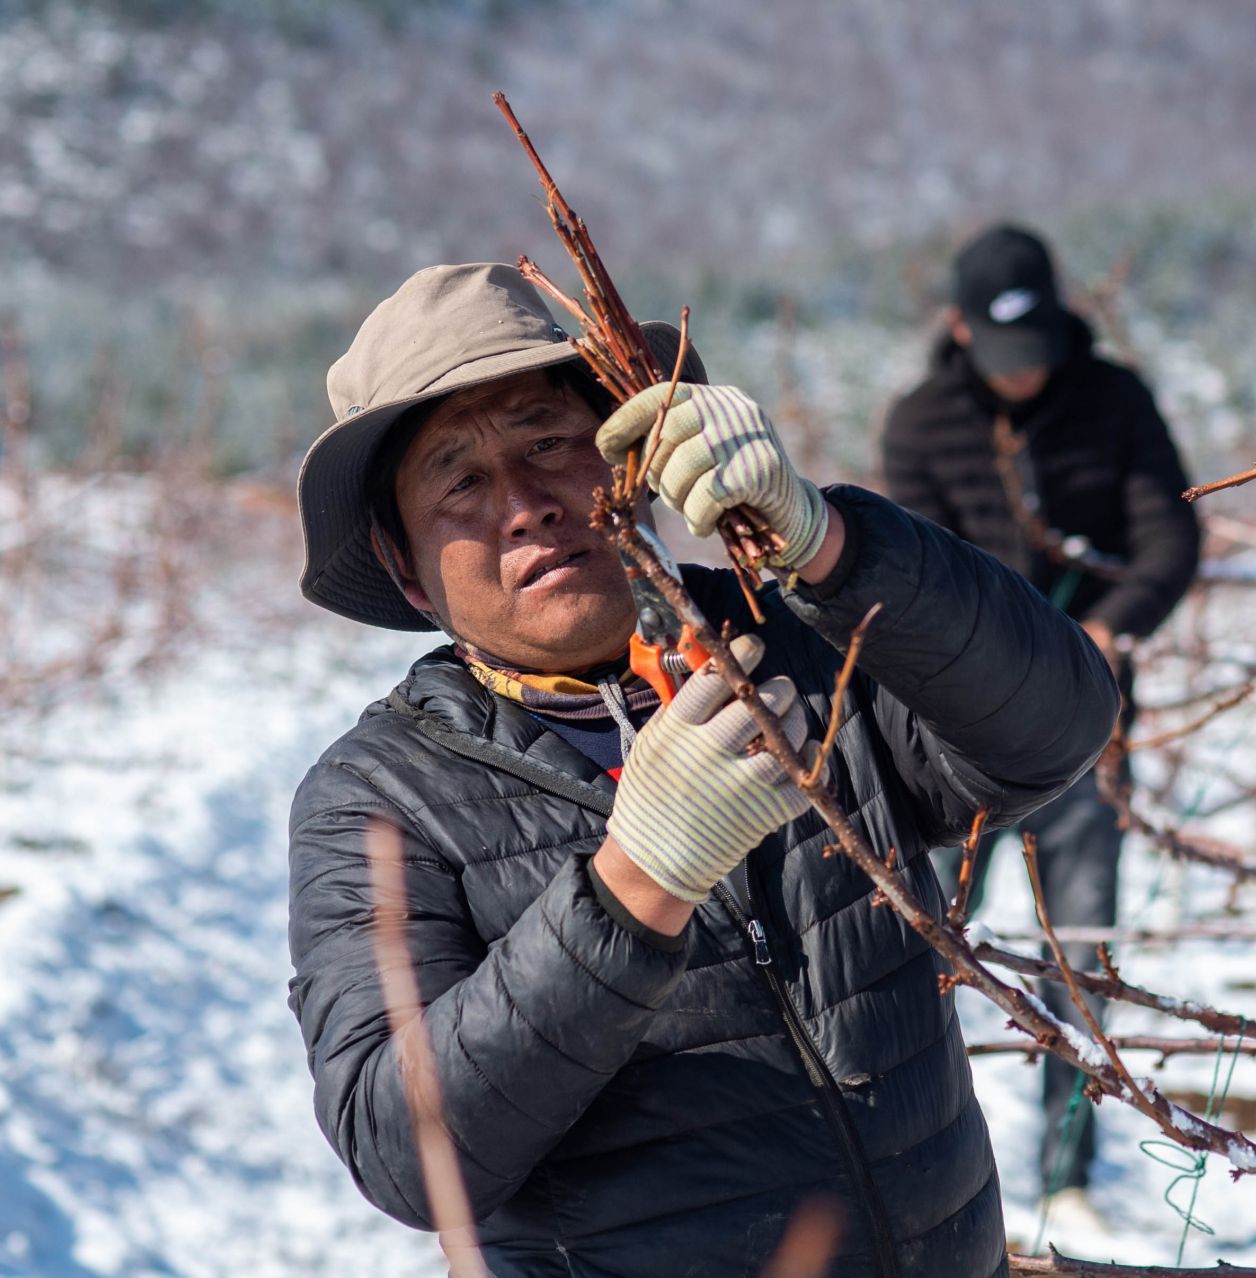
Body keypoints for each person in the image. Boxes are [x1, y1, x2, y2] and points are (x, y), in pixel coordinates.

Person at [286, 262, 1118, 1276]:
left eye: (550, 443)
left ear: (625, 465)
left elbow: (1057, 726)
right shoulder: (382, 798)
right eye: (458, 480)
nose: (526, 505)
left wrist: (829, 541)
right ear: (406, 564)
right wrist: (637, 881)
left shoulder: (801, 653)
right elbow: (405, 1153)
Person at [881, 224, 1201, 1217]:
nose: (1025, 379)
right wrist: (991, 665)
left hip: (1090, 735)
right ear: (958, 331)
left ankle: (1066, 1173)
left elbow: (1171, 536)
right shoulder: (920, 424)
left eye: (1038, 356)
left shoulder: (1115, 401)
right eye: (1003, 358)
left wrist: (1107, 632)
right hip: (949, 744)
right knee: (915, 950)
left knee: (1081, 950)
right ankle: (908, 1160)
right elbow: (916, 582)